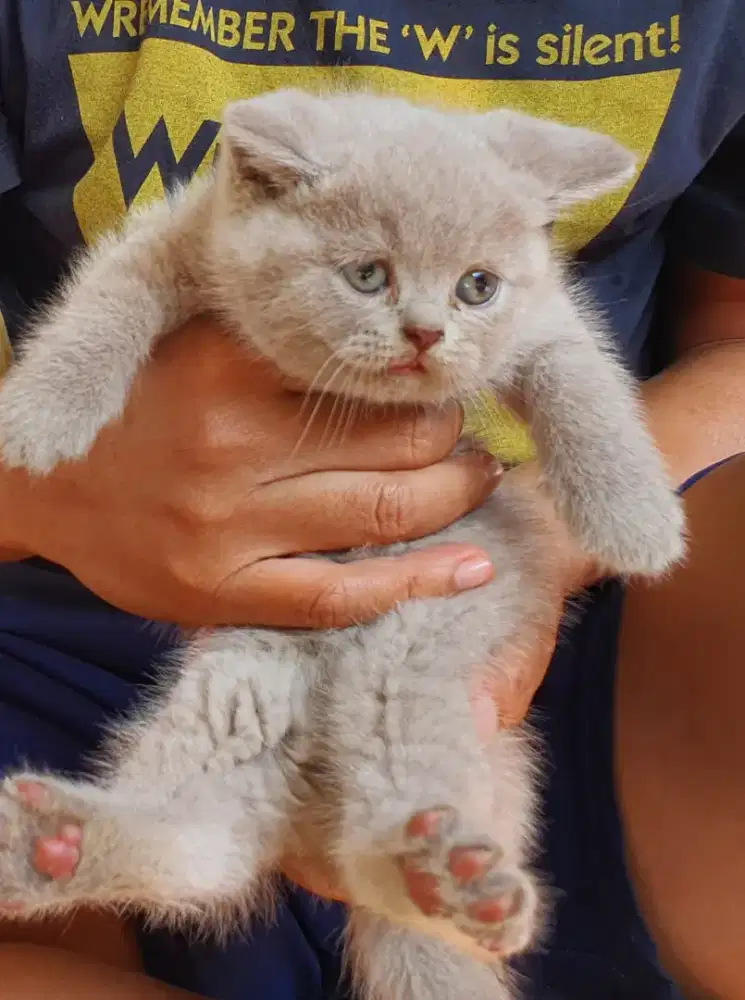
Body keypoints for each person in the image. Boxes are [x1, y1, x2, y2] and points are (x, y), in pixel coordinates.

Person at [0, 1, 744, 997]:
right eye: (367, 276)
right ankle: (179, 846)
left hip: (492, 580)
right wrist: (42, 488)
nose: (429, 331)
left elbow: (597, 355)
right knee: (245, 692)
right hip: (66, 604)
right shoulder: (221, 212)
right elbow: (134, 284)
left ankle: (411, 892)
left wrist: (579, 517)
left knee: (416, 709)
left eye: (474, 289)